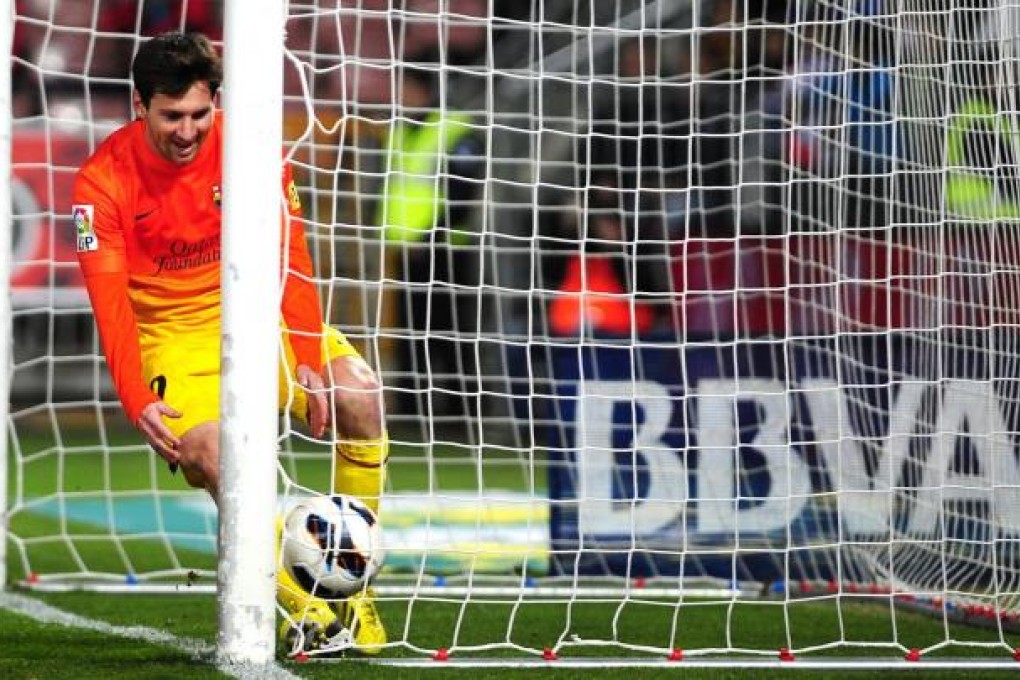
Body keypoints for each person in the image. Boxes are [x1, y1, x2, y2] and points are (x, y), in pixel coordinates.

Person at [71, 31, 387, 655]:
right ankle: (309, 606)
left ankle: (355, 592)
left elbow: (290, 257)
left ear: (216, 102)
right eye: (171, 117)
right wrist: (136, 397)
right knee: (214, 453)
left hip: (256, 314)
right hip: (172, 336)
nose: (187, 131)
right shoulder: (101, 184)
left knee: (359, 395)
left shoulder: (252, 149)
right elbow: (111, 308)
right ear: (140, 105)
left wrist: (306, 357)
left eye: (199, 114)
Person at [377, 57, 485, 424]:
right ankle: (411, 413)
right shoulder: (401, 130)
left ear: (422, 90)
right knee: (410, 331)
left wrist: (432, 235)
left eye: (404, 88)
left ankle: (462, 417)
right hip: (408, 249)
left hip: (447, 249)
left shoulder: (453, 129)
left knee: (450, 332)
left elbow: (464, 193)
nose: (398, 96)